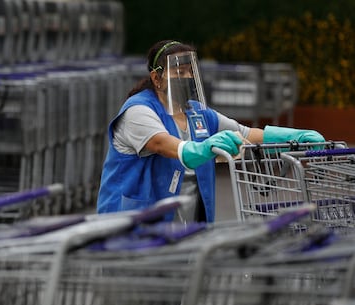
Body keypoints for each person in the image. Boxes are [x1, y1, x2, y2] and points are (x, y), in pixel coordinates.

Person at [96, 39, 324, 223]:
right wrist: (205, 147)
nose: (186, 77)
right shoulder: (138, 111)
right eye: (178, 72)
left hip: (186, 226)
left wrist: (295, 136)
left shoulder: (197, 113)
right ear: (157, 78)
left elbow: (245, 133)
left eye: (189, 71)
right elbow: (164, 145)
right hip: (131, 226)